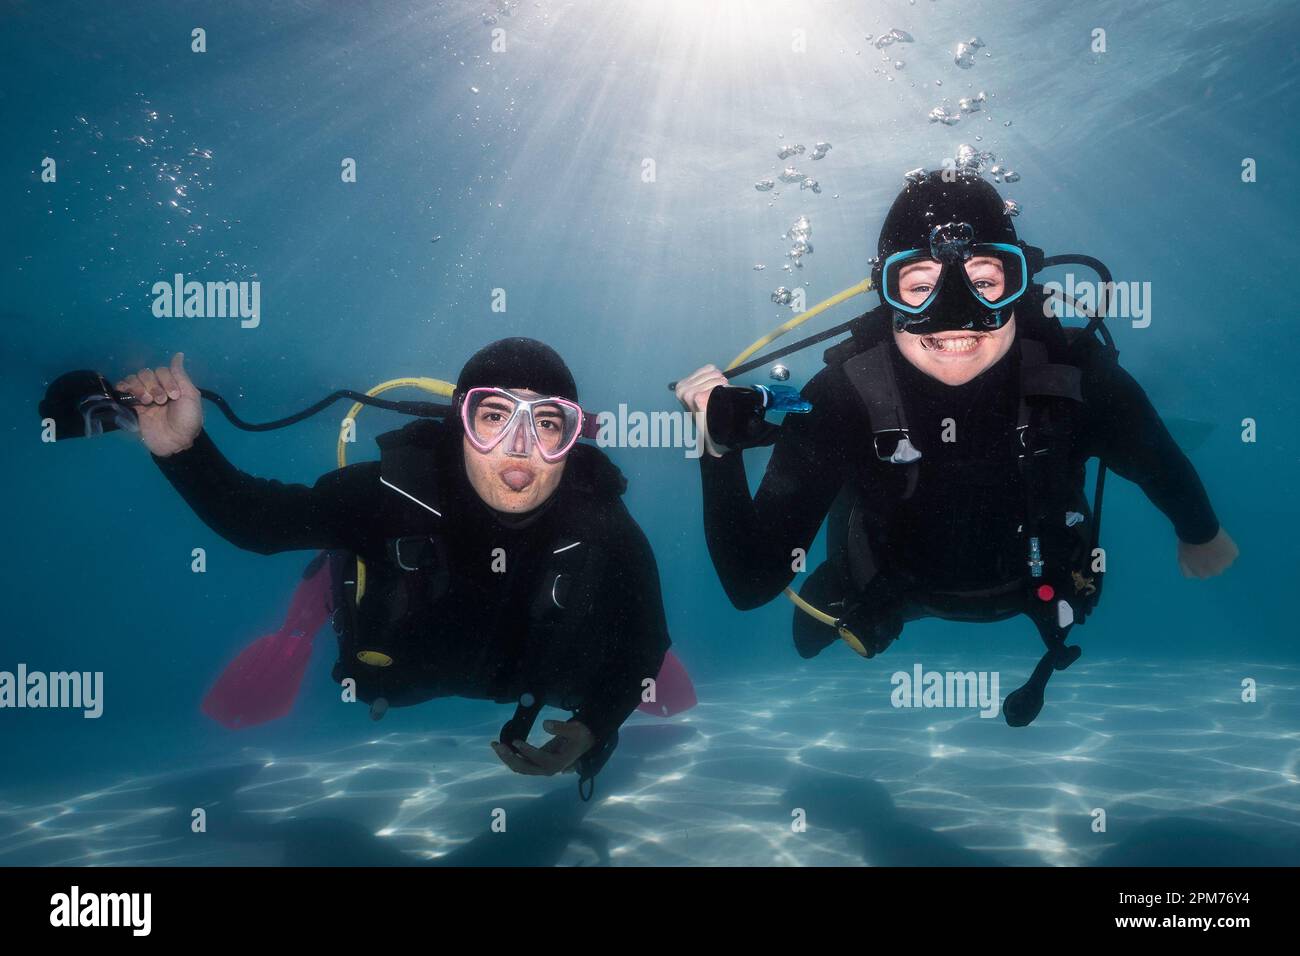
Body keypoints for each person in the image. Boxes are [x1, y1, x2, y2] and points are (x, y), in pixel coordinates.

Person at [674, 169, 1237, 725]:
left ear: (1021, 283)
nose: (955, 314)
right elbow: (750, 585)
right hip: (884, 589)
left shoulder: (1075, 376)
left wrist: (1200, 531)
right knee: (809, 638)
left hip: (1034, 585)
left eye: (986, 281)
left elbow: (1159, 462)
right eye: (920, 287)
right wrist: (716, 448)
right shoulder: (844, 395)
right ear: (884, 291)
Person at [119, 337, 671, 791]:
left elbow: (648, 641)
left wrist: (596, 724)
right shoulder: (390, 494)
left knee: (607, 648)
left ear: (573, 437)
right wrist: (182, 451)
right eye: (495, 415)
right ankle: (325, 586)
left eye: (549, 423)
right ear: (460, 421)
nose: (520, 446)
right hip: (404, 669)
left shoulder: (600, 523)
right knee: (347, 566)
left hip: (527, 673)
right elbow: (260, 522)